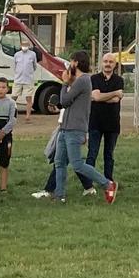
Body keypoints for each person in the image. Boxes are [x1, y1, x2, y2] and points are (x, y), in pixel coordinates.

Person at [52, 52, 116, 204]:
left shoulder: (83, 80)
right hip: (65, 128)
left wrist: (65, 83)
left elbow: (65, 100)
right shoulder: (77, 80)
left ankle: (108, 184)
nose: (68, 65)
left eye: (70, 62)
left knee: (77, 164)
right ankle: (59, 195)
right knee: (59, 162)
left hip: (75, 128)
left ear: (76, 63)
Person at [81, 51, 125, 190]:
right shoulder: (93, 79)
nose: (108, 64)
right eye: (105, 61)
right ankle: (88, 184)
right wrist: (113, 94)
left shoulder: (119, 80)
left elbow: (116, 100)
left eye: (111, 62)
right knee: (92, 154)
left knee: (109, 155)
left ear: (115, 64)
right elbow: (97, 97)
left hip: (112, 124)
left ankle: (108, 182)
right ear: (101, 63)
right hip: (95, 123)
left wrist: (104, 96)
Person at [12, 43, 39, 108]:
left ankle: (28, 116)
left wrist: (29, 73)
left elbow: (35, 66)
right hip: (18, 80)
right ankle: (11, 113)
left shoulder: (33, 54)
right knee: (13, 98)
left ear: (29, 46)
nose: (24, 46)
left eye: (26, 45)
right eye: (23, 45)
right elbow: (14, 66)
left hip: (28, 80)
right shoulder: (17, 55)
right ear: (20, 46)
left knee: (29, 98)